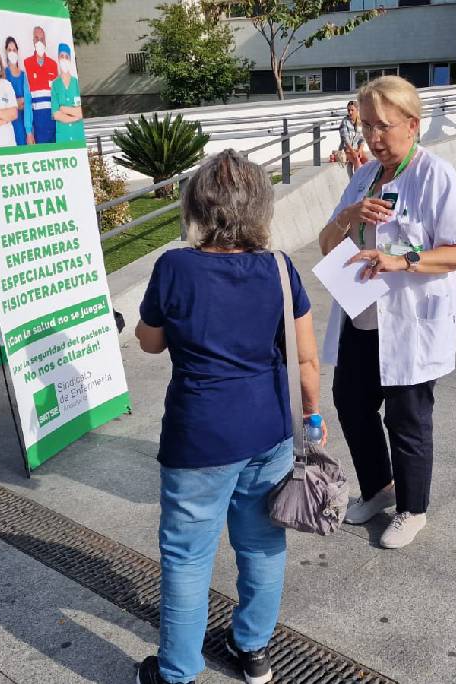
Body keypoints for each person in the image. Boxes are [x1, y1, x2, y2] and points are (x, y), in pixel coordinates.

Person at [133, 149, 325, 684]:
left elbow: (149, 344)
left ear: (196, 204)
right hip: (269, 430)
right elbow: (306, 358)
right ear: (260, 208)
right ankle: (254, 651)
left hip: (199, 438)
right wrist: (312, 417)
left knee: (188, 557)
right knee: (262, 542)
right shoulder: (280, 269)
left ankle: (176, 672)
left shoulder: (175, 266)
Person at [317, 76, 456, 549]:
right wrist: (348, 218)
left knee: (407, 418)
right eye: (367, 126)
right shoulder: (364, 176)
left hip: (410, 320)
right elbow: (328, 244)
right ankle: (379, 488)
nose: (374, 138)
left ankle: (413, 508)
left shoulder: (435, 175)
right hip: (362, 313)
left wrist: (402, 260)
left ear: (413, 124)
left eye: (384, 127)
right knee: (350, 402)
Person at [24, 26, 58, 144]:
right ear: (33, 41)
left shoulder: (53, 65)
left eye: (42, 39)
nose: (39, 42)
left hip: (55, 126)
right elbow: (27, 102)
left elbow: (57, 98)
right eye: (37, 38)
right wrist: (29, 132)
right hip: (38, 129)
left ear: (45, 42)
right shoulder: (27, 64)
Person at [51, 43, 85, 142]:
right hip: (63, 134)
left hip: (77, 133)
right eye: (62, 56)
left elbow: (80, 112)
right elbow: (56, 114)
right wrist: (74, 117)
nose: (64, 59)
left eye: (67, 57)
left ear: (70, 60)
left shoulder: (76, 83)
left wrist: (63, 108)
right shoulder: (55, 85)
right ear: (58, 58)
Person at [3, 36, 33, 146]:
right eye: (9, 50)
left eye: (14, 50)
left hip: (24, 123)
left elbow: (28, 101)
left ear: (17, 51)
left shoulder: (24, 76)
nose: (12, 52)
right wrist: (16, 102)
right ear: (6, 52)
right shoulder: (3, 75)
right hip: (9, 123)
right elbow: (3, 101)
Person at [339, 100, 368, 175]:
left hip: (356, 149)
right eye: (348, 110)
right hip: (346, 149)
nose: (350, 112)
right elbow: (346, 139)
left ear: (357, 110)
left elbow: (362, 138)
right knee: (356, 160)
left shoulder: (360, 122)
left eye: (352, 110)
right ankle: (355, 181)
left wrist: (360, 150)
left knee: (366, 160)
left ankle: (367, 180)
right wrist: (353, 152)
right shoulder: (345, 121)